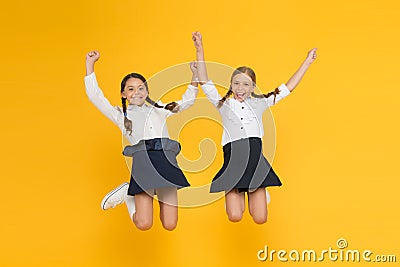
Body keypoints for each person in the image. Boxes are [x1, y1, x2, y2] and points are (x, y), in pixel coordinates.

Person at [192, 31, 317, 224]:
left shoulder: (261, 102)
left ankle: (261, 193)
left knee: (260, 218)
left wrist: (307, 61)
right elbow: (204, 81)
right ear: (231, 85)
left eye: (246, 84)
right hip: (233, 161)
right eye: (236, 83)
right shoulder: (223, 104)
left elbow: (288, 88)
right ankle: (234, 196)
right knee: (235, 216)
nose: (240, 88)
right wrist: (199, 48)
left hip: (255, 161)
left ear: (253, 87)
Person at [85, 51, 199, 230]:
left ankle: (130, 193)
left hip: (166, 162)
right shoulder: (121, 115)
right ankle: (128, 195)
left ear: (146, 92)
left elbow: (187, 102)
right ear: (123, 94)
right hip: (143, 165)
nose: (136, 92)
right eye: (131, 88)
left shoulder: (160, 109)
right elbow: (95, 97)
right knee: (144, 223)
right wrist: (90, 64)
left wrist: (195, 75)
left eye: (141, 88)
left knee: (170, 224)